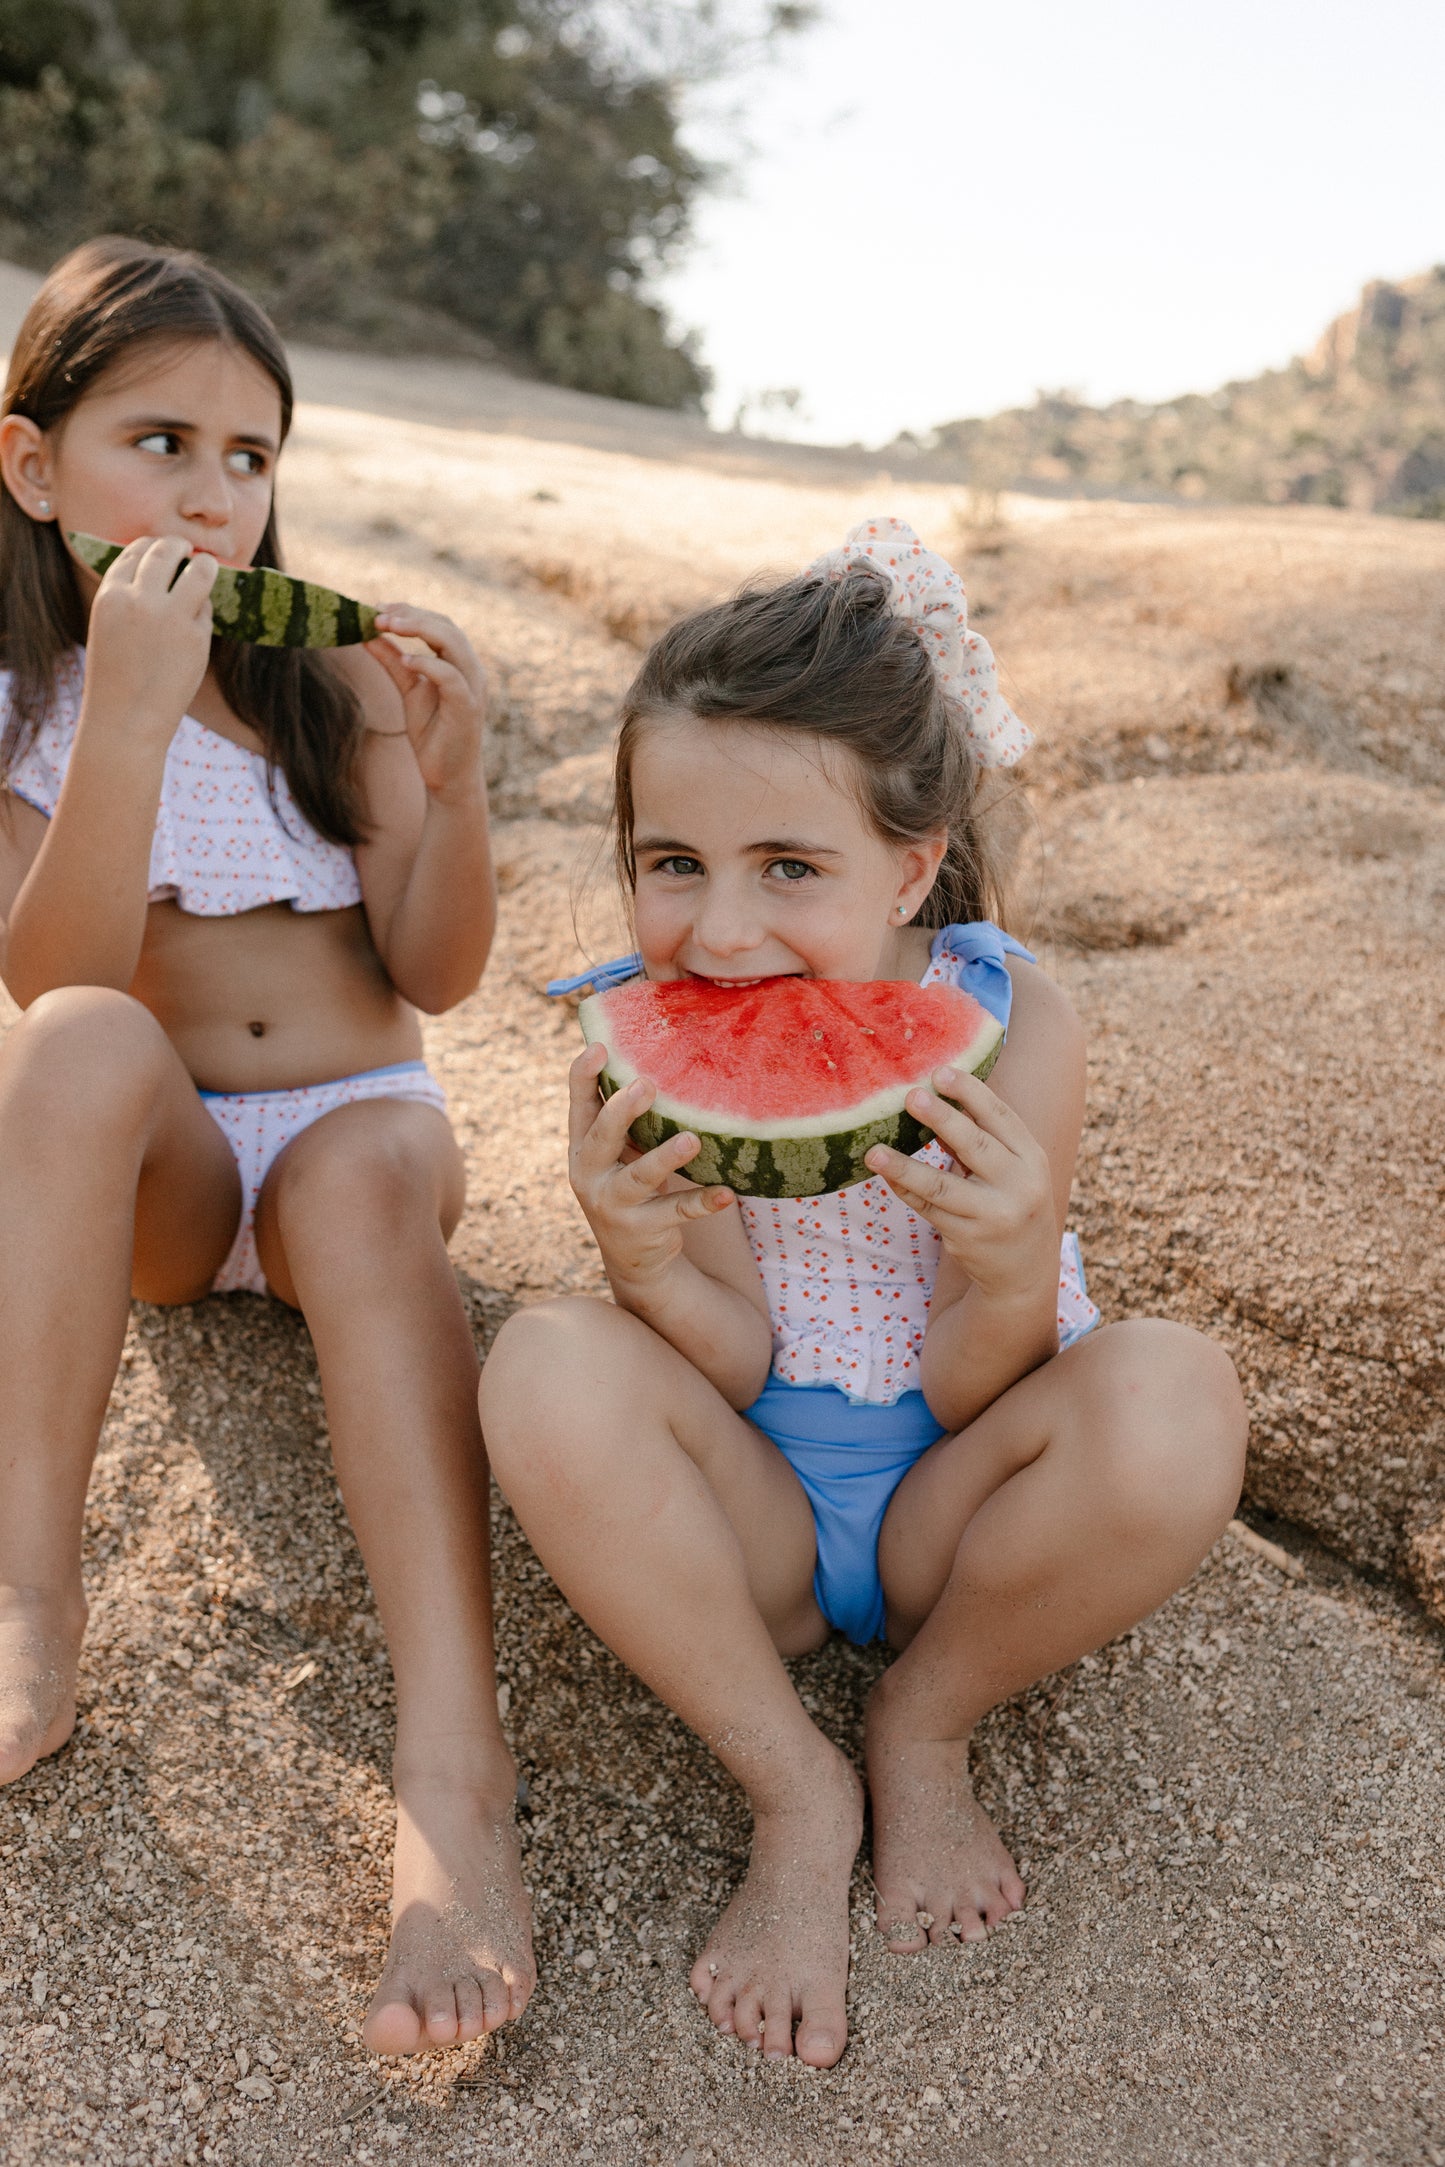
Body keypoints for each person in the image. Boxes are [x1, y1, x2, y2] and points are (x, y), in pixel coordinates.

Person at [480, 517, 1246, 2069]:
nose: (723, 929)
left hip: (962, 1518)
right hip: (744, 1518)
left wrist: (1010, 1257)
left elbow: (981, 1387)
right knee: (541, 1360)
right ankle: (793, 1786)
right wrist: (635, 1262)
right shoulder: (642, 1040)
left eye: (789, 869)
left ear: (910, 863)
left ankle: (923, 1720)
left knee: (1177, 1395)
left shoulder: (1014, 1014)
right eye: (671, 866)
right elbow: (734, 1351)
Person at [0, 238, 534, 2052]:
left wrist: (452, 794)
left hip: (349, 1148)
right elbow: (51, 976)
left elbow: (438, 974)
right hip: (161, 1179)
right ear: (32, 466)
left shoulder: (339, 688)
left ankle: (452, 1777)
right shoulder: (26, 709)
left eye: (250, 455)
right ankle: (28, 1598)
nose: (213, 496)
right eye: (159, 442)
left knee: (370, 1173)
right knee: (75, 1039)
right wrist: (126, 722)